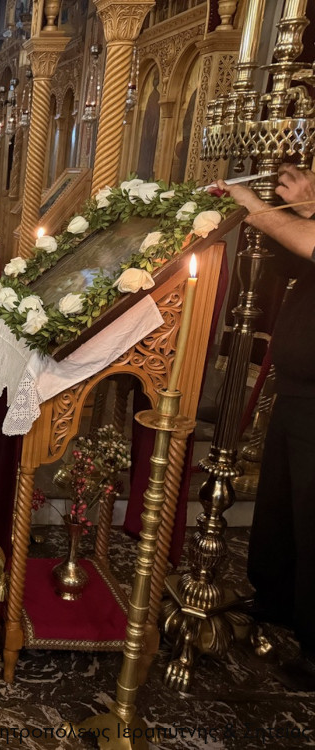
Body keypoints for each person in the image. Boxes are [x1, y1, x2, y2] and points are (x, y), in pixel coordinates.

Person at [220, 165, 315, 691]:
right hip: (299, 386)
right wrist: (302, 207)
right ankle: (277, 601)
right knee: (280, 505)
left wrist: (250, 205)